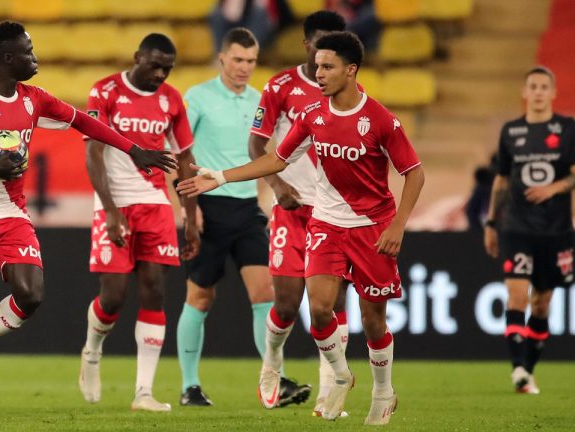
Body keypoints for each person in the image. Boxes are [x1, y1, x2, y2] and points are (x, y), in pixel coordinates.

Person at [0, 21, 176, 423]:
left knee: (32, 294)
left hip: (10, 213)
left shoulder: (33, 99)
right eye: (28, 51)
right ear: (7, 58)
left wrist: (134, 149)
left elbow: (84, 122)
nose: (35, 58)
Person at [177, 31, 425, 425]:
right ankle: (341, 374)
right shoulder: (312, 115)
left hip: (371, 227)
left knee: (374, 320)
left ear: (351, 70)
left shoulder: (379, 120)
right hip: (326, 223)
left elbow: (414, 174)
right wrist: (221, 176)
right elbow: (276, 159)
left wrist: (397, 226)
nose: (319, 73)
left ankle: (383, 389)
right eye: (317, 66)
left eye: (327, 67)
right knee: (321, 307)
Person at [176, 27, 309, 408]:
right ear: (222, 58)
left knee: (265, 293)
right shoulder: (198, 98)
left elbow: (266, 155)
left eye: (250, 61)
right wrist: (191, 211)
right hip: (209, 208)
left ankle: (275, 379)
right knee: (200, 297)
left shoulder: (259, 101)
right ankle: (190, 386)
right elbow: (182, 156)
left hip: (247, 209)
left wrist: (270, 196)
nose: (244, 68)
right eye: (237, 59)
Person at [77, 33, 199, 412]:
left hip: (154, 203)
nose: (161, 74)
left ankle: (143, 392)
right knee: (113, 296)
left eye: (168, 68)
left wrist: (190, 218)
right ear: (137, 58)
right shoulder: (105, 92)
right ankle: (92, 350)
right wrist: (111, 210)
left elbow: (185, 162)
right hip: (114, 203)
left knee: (155, 291)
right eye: (155, 65)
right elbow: (93, 155)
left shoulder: (171, 100)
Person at [247, 10, 354, 414]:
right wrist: (278, 186)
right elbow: (256, 145)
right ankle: (271, 364)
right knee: (288, 303)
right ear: (306, 44)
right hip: (291, 209)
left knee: (331, 302)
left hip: (335, 213)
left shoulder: (348, 90)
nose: (325, 51)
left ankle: (331, 394)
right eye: (320, 42)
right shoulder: (280, 87)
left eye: (334, 44)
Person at [484, 66, 575, 395]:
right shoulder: (511, 131)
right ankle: (517, 368)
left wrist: (553, 189)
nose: (539, 91)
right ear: (525, 92)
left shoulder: (568, 128)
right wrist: (491, 222)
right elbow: (501, 180)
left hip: (556, 229)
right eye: (533, 86)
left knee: (542, 304)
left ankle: (527, 372)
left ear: (553, 93)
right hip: (517, 227)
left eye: (545, 86)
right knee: (517, 294)